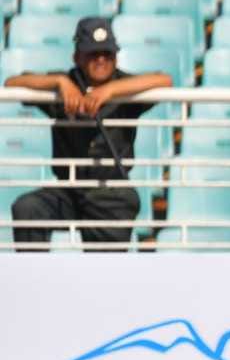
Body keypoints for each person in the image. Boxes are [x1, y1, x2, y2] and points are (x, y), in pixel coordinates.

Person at [5, 17, 172, 250]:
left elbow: (164, 80)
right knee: (27, 208)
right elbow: (12, 83)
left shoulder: (124, 85)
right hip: (69, 188)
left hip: (110, 192)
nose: (101, 59)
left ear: (116, 57)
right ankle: (34, 272)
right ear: (77, 57)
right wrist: (59, 82)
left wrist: (111, 90)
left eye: (107, 53)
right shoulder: (66, 83)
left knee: (104, 264)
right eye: (93, 53)